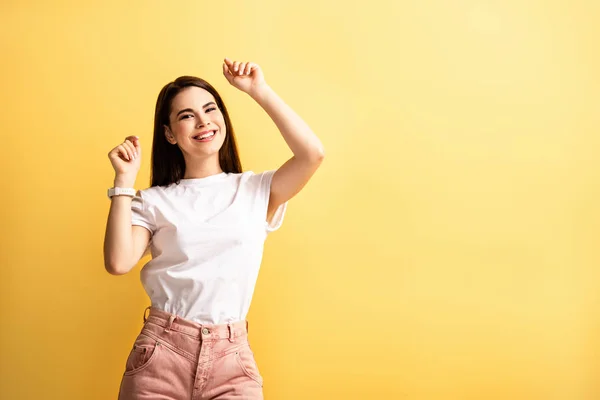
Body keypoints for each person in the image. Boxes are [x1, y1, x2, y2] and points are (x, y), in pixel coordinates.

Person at [103, 57, 325, 399]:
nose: (203, 122)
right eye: (186, 116)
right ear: (169, 134)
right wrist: (123, 182)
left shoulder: (255, 190)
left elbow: (312, 154)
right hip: (161, 353)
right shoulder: (154, 200)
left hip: (232, 359)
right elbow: (118, 262)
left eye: (211, 110)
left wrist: (259, 91)